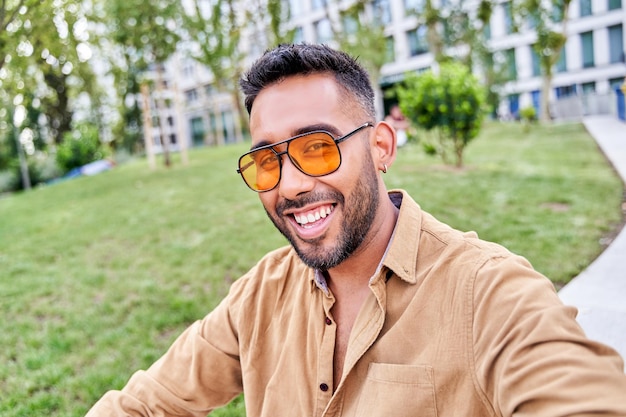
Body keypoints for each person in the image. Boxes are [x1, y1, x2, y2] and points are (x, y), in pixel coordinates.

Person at [86, 43, 626, 416]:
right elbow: (148, 402)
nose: (290, 186)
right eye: (267, 161)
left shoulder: (487, 293)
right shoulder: (258, 296)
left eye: (317, 147)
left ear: (381, 147)